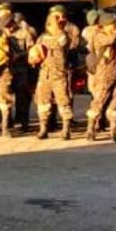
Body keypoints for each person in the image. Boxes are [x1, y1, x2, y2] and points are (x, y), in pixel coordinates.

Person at [32, 12, 74, 140]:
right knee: (42, 101)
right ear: (49, 23)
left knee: (63, 101)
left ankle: (66, 129)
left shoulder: (63, 35)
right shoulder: (42, 37)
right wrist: (34, 56)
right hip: (45, 74)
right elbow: (35, 51)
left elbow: (57, 44)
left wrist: (41, 44)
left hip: (59, 74)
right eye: (57, 18)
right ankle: (43, 128)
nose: (61, 20)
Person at [84, 11, 116, 141]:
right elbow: (111, 40)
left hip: (115, 74)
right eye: (112, 24)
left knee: (115, 101)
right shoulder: (99, 36)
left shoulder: (111, 34)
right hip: (103, 75)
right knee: (98, 101)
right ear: (104, 25)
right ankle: (90, 128)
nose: (115, 26)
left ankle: (114, 129)